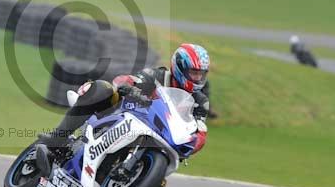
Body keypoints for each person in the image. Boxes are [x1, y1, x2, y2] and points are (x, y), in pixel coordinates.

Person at [34, 44, 214, 175]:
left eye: (201, 74)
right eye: (193, 72)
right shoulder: (157, 76)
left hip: (158, 135)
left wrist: (191, 145)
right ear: (180, 68)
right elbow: (126, 80)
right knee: (102, 88)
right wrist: (131, 88)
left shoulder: (200, 101)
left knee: (158, 186)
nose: (197, 78)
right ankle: (58, 138)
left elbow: (199, 130)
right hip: (123, 114)